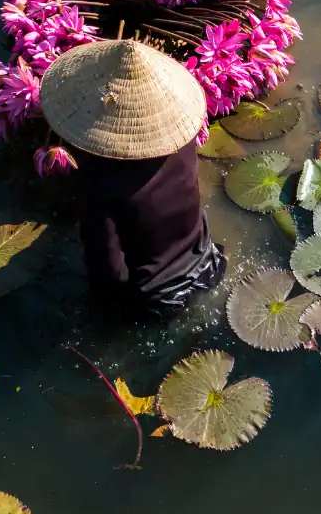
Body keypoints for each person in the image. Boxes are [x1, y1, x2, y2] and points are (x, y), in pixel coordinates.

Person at [38, 39, 226, 316]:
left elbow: (108, 271)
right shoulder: (181, 141)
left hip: (158, 301)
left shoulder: (100, 183)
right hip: (210, 263)